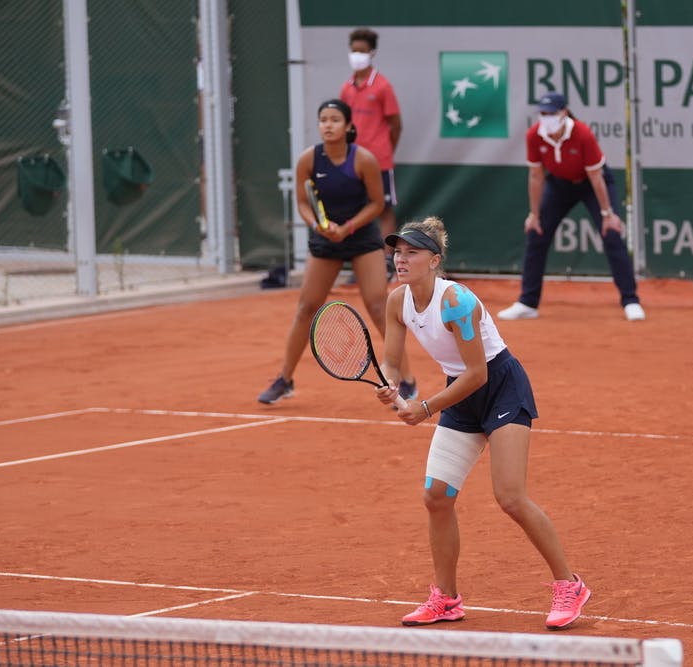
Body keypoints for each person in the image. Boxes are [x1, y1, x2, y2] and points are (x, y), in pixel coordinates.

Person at [376, 216, 591, 630]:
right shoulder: (396, 301)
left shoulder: (456, 301)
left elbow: (478, 374)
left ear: (434, 260)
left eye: (411, 253)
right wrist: (389, 385)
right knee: (436, 496)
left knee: (510, 497)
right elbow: (390, 360)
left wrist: (424, 408)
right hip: (461, 393)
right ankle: (446, 599)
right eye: (398, 252)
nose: (401, 260)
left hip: (501, 387)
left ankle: (570, 585)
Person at [257, 99, 417, 404]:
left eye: (334, 120)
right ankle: (284, 379)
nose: (327, 125)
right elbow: (303, 202)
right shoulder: (308, 160)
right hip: (325, 238)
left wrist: (347, 228)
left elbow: (377, 205)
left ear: (347, 126)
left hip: (360, 237)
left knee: (377, 306)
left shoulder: (364, 160)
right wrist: (317, 224)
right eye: (323, 120)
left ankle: (406, 378)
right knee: (307, 307)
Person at [498, 91, 646, 322]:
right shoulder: (534, 135)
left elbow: (596, 178)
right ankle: (528, 302)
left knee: (612, 234)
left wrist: (608, 214)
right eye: (543, 113)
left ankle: (631, 301)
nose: (546, 117)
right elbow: (536, 176)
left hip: (591, 184)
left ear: (564, 112)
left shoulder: (582, 133)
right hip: (559, 185)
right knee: (536, 233)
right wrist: (534, 215)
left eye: (552, 113)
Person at [340, 28, 402, 281]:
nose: (357, 55)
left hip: (379, 161)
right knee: (356, 210)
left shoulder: (383, 86)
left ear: (372, 53)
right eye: (354, 50)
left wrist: (385, 151)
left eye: (363, 51)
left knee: (384, 209)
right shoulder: (346, 88)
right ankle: (361, 263)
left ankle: (387, 261)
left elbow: (396, 124)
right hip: (352, 160)